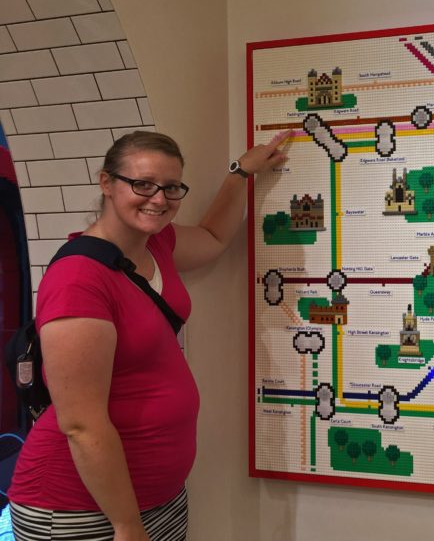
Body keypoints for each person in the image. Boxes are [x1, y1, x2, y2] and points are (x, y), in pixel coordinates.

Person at [6, 129, 288, 541]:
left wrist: (239, 174)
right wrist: (126, 525)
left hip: (158, 499)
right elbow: (81, 424)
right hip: (78, 509)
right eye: (142, 184)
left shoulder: (156, 245)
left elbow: (212, 238)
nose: (159, 199)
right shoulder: (78, 280)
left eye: (171, 187)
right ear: (106, 183)